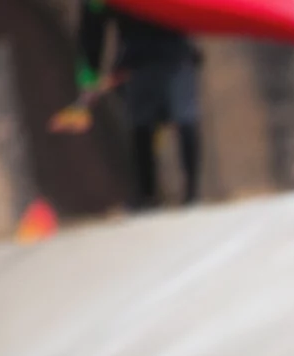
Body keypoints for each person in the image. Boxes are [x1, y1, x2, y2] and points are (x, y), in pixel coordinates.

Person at [72, 0, 204, 209]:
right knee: (143, 127)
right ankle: (150, 196)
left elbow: (92, 27)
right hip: (139, 61)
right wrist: (89, 75)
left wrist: (90, 75)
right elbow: (92, 27)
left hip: (173, 54)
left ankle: (190, 194)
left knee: (182, 120)